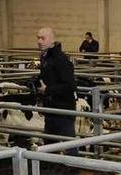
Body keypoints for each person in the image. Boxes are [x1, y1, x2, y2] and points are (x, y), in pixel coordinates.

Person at [36, 27, 77, 157]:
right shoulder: (45, 57)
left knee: (69, 145)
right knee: (49, 145)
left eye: (43, 38)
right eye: (38, 38)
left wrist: (48, 89)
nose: (39, 41)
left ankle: (73, 173)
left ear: (52, 40)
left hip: (63, 109)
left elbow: (70, 85)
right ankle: (51, 174)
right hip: (51, 108)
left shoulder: (61, 59)